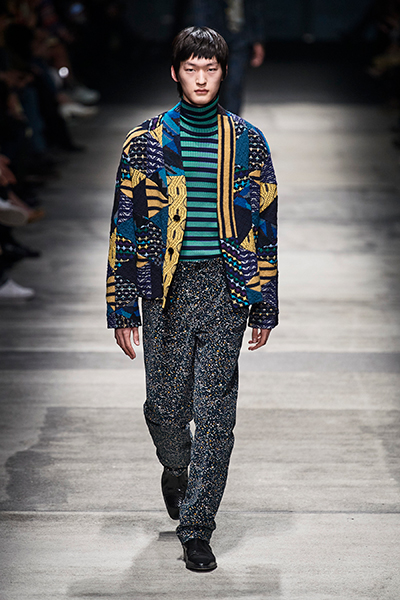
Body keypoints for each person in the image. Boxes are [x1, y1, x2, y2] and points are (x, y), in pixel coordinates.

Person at [106, 26, 278, 572]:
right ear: (175, 72)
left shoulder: (249, 142)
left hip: (226, 287)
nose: (201, 79)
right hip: (165, 291)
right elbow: (124, 226)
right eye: (191, 68)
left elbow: (265, 228)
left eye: (211, 68)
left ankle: (198, 527)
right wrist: (121, 305)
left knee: (216, 414)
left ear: (224, 73)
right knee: (165, 409)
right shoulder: (144, 142)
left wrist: (265, 302)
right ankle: (175, 468)